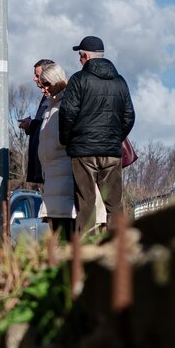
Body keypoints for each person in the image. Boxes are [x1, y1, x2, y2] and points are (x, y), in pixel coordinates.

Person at [59, 35, 135, 234]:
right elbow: (129, 116)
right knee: (115, 204)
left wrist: (67, 140)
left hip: (83, 151)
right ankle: (117, 248)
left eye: (80, 56)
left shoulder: (78, 80)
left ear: (85, 56)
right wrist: (114, 137)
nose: (79, 60)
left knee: (86, 203)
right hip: (111, 151)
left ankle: (86, 251)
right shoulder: (120, 82)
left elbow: (67, 113)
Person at [35, 62, 106, 239]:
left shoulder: (68, 104)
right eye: (41, 84)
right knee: (60, 235)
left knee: (71, 235)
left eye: (46, 84)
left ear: (58, 81)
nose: (43, 89)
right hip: (53, 178)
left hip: (67, 176)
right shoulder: (51, 106)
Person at [18, 59, 55, 188]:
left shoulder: (56, 97)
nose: (34, 79)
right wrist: (31, 125)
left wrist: (31, 125)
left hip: (52, 168)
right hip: (45, 167)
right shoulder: (47, 96)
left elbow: (51, 126)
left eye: (37, 75)